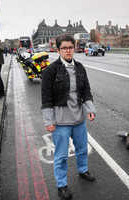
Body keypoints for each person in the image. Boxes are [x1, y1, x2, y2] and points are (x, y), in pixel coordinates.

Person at [41, 34, 96, 199]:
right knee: (61, 155)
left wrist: (90, 109)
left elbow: (86, 90)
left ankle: (83, 169)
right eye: (64, 48)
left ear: (74, 48)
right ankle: (61, 185)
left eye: (70, 47)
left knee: (81, 148)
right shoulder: (50, 71)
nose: (68, 51)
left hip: (78, 118)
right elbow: (47, 98)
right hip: (60, 121)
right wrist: (49, 120)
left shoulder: (80, 67)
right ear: (58, 50)